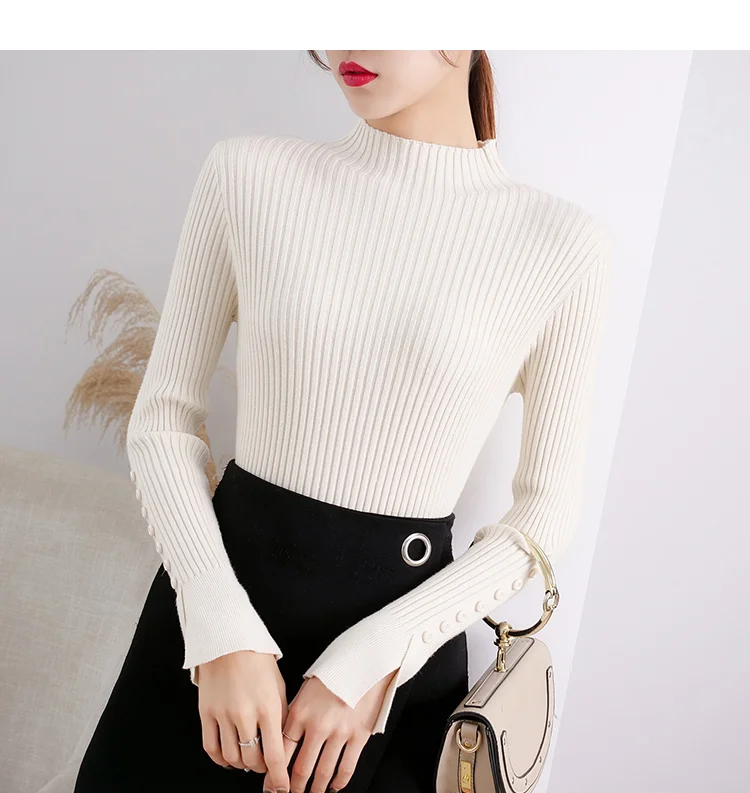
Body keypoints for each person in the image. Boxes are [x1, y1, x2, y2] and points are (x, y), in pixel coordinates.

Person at [74, 50, 612, 793]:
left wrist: (381, 657)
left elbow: (545, 513)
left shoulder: (562, 244)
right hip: (213, 638)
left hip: (390, 680)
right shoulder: (248, 176)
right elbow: (163, 420)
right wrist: (216, 622)